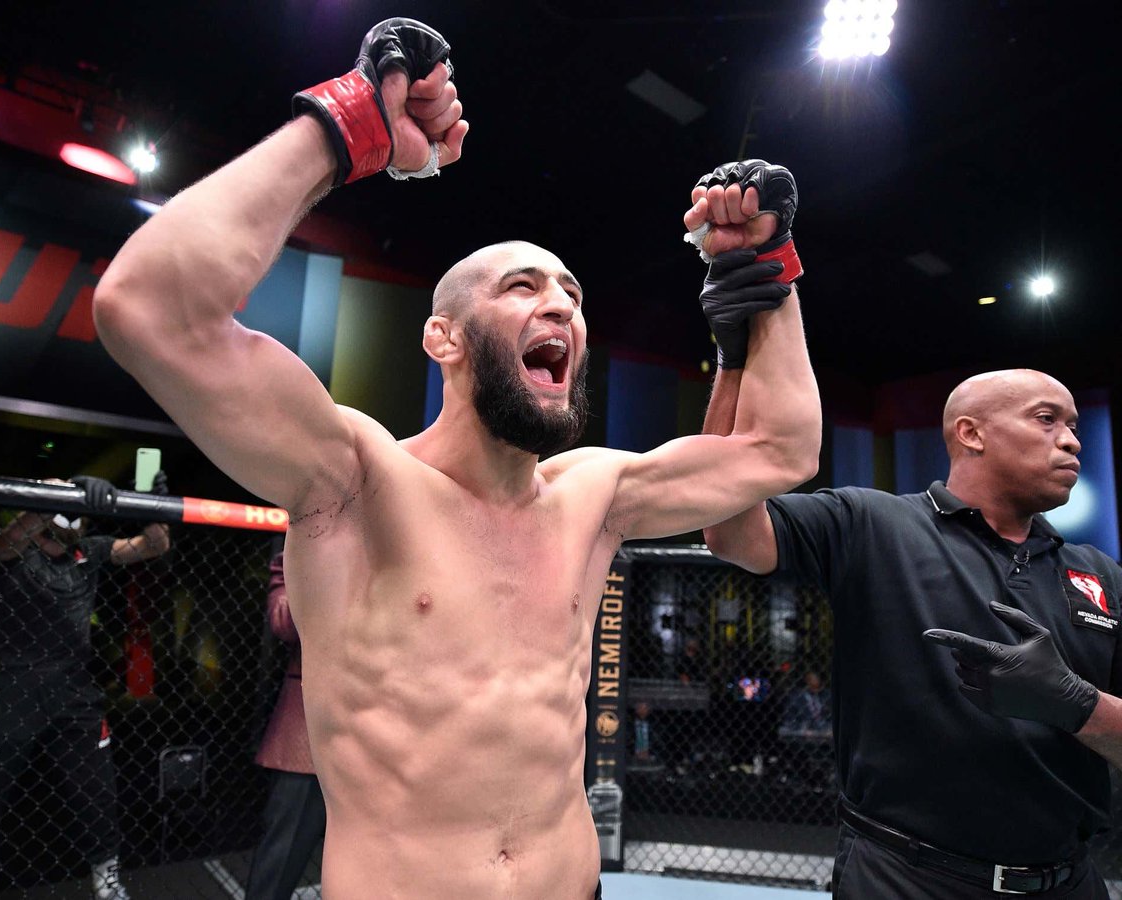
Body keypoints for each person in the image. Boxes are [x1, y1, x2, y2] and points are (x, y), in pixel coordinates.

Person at [91, 18, 821, 899]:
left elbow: (780, 450)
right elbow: (149, 309)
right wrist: (348, 125)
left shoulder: (594, 496)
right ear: (443, 338)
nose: (562, 307)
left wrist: (767, 278)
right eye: (523, 287)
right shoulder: (356, 482)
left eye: (572, 295)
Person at [703, 368, 1122, 897]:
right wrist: (735, 364)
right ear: (971, 433)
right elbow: (729, 529)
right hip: (904, 877)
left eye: (1074, 426)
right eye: (1046, 419)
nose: (1072, 440)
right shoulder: (872, 523)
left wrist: (1077, 704)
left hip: (1068, 881)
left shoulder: (1098, 575)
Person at [0, 474, 170, 900]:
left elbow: (154, 545)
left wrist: (152, 506)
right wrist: (55, 493)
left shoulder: (88, 552)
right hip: (15, 687)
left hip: (75, 687)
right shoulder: (14, 548)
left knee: (97, 792)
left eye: (80, 512)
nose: (76, 519)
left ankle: (107, 882)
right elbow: (3, 544)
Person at [246, 551, 327, 900]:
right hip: (311, 728)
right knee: (281, 860)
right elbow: (283, 621)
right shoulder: (311, 540)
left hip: (389, 725)